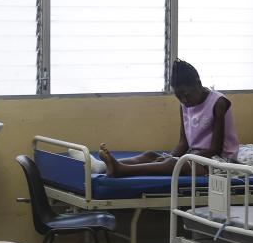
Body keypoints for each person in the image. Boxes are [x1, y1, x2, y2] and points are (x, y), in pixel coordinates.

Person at [99, 60, 239, 177]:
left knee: (174, 163)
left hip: (218, 159)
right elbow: (183, 143)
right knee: (151, 155)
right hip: (195, 156)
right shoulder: (184, 104)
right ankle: (103, 167)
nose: (184, 100)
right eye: (178, 96)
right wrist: (168, 157)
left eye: (186, 94)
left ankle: (121, 170)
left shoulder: (218, 102)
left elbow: (215, 148)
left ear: (198, 83)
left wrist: (175, 159)